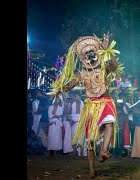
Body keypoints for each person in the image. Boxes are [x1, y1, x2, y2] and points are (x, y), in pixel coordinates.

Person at [48, 33, 123, 178]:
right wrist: (59, 89)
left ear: (96, 53)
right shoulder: (81, 74)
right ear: (83, 57)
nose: (90, 55)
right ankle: (91, 169)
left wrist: (106, 50)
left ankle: (104, 150)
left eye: (92, 52)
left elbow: (114, 66)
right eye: (86, 54)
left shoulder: (104, 67)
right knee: (90, 141)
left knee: (109, 124)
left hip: (106, 101)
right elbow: (70, 85)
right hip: (91, 107)